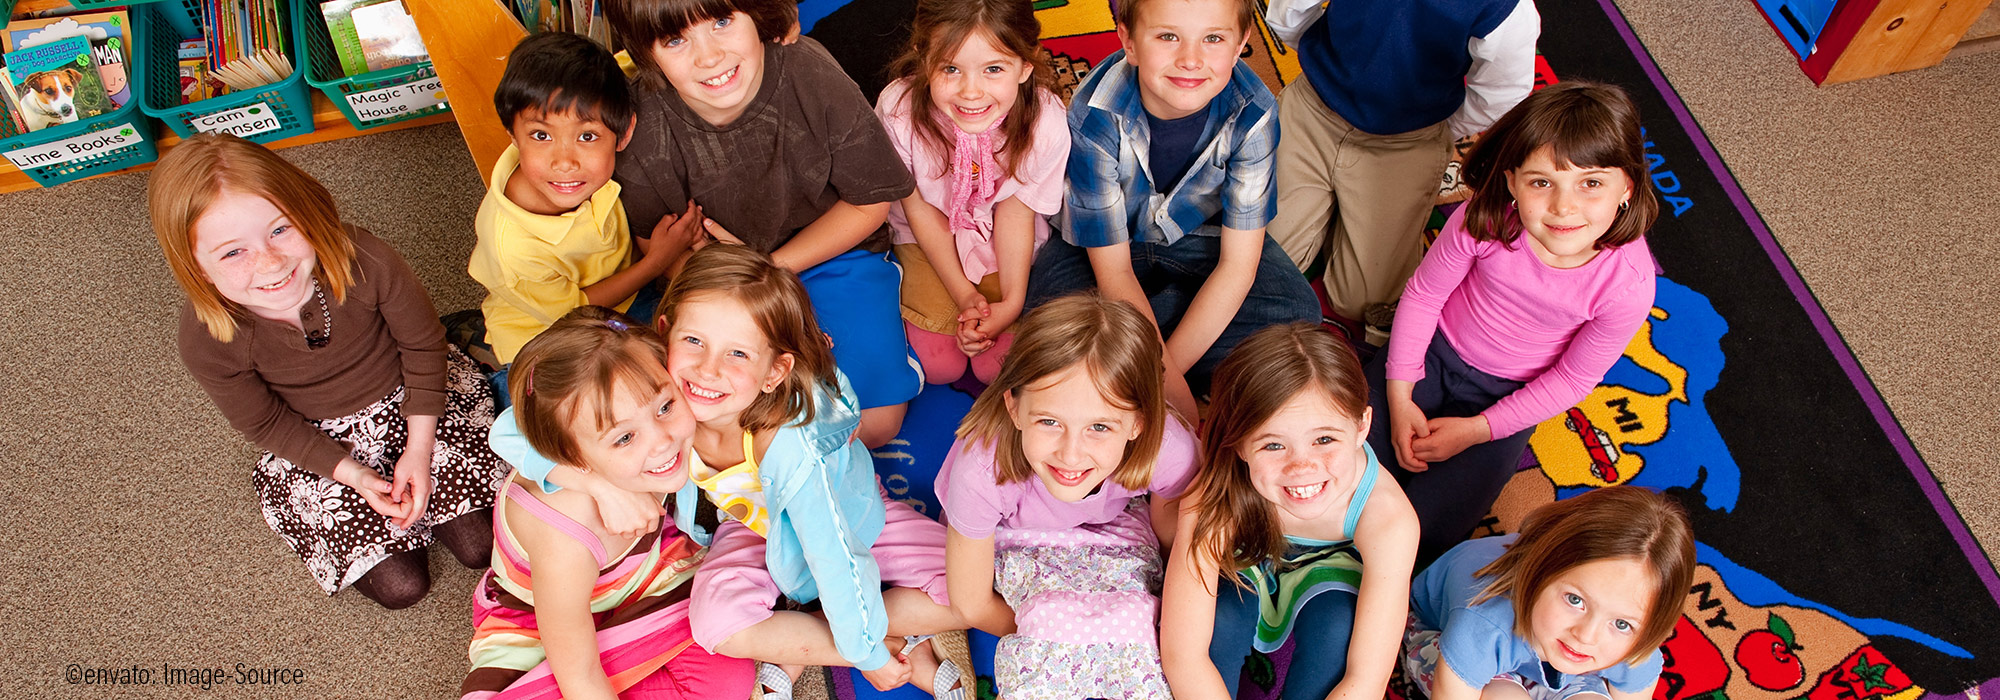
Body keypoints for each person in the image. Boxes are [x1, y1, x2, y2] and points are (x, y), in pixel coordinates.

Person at [518, 245, 968, 700]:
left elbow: (836, 560)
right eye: (693, 342)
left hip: (850, 519)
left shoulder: (785, 445)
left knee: (968, 588)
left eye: (737, 353)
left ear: (774, 372)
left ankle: (818, 635)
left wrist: (866, 651)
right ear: (665, 335)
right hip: (753, 528)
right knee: (715, 623)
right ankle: (839, 634)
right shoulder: (662, 390)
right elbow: (518, 426)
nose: (708, 371)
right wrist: (592, 481)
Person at [152, 133, 505, 609]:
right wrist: (355, 476)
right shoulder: (205, 339)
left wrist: (419, 448)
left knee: (480, 547)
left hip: (416, 398)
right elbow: (265, 422)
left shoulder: (367, 259)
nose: (271, 263)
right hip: (321, 442)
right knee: (403, 589)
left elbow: (422, 345)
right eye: (233, 252)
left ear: (311, 214)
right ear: (194, 266)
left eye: (281, 230)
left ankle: (425, 494)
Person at [1365, 82, 1660, 564]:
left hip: (1507, 399)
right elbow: (1424, 295)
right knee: (1346, 462)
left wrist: (1477, 430)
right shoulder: (1485, 217)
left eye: (1591, 183)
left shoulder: (1628, 284)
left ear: (1626, 187)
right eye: (1541, 182)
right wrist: (1400, 397)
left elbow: (1572, 379)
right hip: (1432, 354)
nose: (1564, 208)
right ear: (1511, 182)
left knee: (1428, 533)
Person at [604, 0, 920, 448]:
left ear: (758, 15)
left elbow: (870, 204)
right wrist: (739, 292)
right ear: (645, 52)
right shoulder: (642, 123)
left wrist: (767, 268)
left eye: (722, 21)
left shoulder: (809, 71)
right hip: (715, 284)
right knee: (706, 422)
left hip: (831, 254)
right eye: (675, 40)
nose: (709, 57)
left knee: (878, 422)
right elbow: (660, 251)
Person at [1023, 0, 1320, 416]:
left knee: (1297, 315)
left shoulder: (1255, 112)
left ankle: (1126, 363)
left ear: (1240, 45)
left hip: (1203, 239)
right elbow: (1114, 272)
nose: (1191, 60)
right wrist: (1176, 395)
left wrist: (1163, 383)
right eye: (1167, 37)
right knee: (1047, 319)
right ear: (1128, 40)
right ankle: (1168, 345)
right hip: (1101, 250)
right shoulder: (1095, 113)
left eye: (1213, 38)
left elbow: (1238, 268)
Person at [464, 306, 753, 700]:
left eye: (665, 407)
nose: (662, 441)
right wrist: (600, 487)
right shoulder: (566, 535)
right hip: (540, 624)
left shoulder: (630, 425)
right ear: (574, 457)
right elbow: (578, 672)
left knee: (728, 680)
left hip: (648, 579)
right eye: (624, 438)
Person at [938, 293, 1199, 700]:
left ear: (1137, 425)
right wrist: (1059, 636)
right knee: (1038, 638)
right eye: (1049, 422)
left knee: (1142, 636)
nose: (1071, 454)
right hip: (1015, 542)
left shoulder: (1169, 449)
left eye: (1100, 428)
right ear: (1014, 408)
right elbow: (971, 602)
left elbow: (1175, 539)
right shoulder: (981, 471)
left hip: (1118, 534)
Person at [1161, 323, 1420, 700]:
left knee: (1338, 628)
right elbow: (1183, 653)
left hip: (1333, 572)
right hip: (1248, 555)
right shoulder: (1214, 495)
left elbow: (1366, 680)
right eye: (1273, 445)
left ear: (1362, 426)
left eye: (1324, 439)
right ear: (1241, 445)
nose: (1302, 467)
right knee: (1222, 618)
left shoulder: (1389, 519)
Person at [1263, 0, 1539, 343]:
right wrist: (1328, 68)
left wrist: (1439, 131)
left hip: (1405, 140)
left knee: (1362, 302)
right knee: (1263, 259)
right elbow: (1288, 12)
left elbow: (1502, 91)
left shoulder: (1508, 9)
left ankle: (1346, 218)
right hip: (1315, 110)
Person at [469, 32, 702, 406]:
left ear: (623, 133)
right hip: (548, 332)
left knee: (690, 361)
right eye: (541, 135)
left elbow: (637, 65)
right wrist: (658, 260)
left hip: (624, 297)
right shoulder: (512, 244)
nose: (564, 162)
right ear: (512, 134)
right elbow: (576, 311)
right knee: (583, 410)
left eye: (588, 136)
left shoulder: (599, 119)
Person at [875, 0, 1068, 386]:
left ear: (1026, 65)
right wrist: (964, 295)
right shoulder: (897, 109)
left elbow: (1016, 212)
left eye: (994, 69)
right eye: (950, 68)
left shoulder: (1044, 119)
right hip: (929, 234)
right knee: (939, 366)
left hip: (1004, 236)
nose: (971, 92)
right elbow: (918, 211)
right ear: (923, 57)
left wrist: (1011, 303)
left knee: (995, 366)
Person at [1403, 486, 1695, 700]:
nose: (1586, 636)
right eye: (1575, 600)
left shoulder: (1631, 640)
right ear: (1539, 569)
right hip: (1441, 637)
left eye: (1621, 624)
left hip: (1555, 664)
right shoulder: (1482, 623)